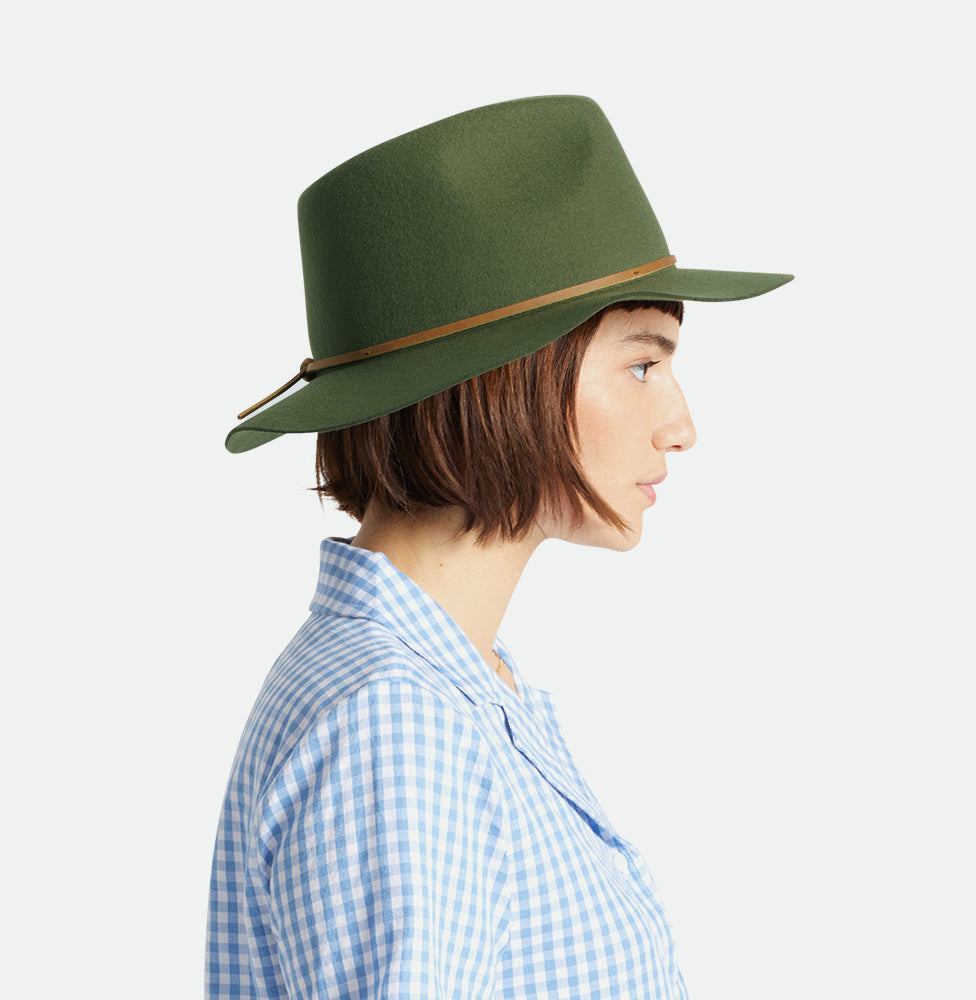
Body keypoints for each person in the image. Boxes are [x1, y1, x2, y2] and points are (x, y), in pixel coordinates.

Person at [207, 94, 793, 999]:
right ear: (500, 381)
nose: (681, 426)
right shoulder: (399, 723)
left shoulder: (460, 687)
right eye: (642, 364)